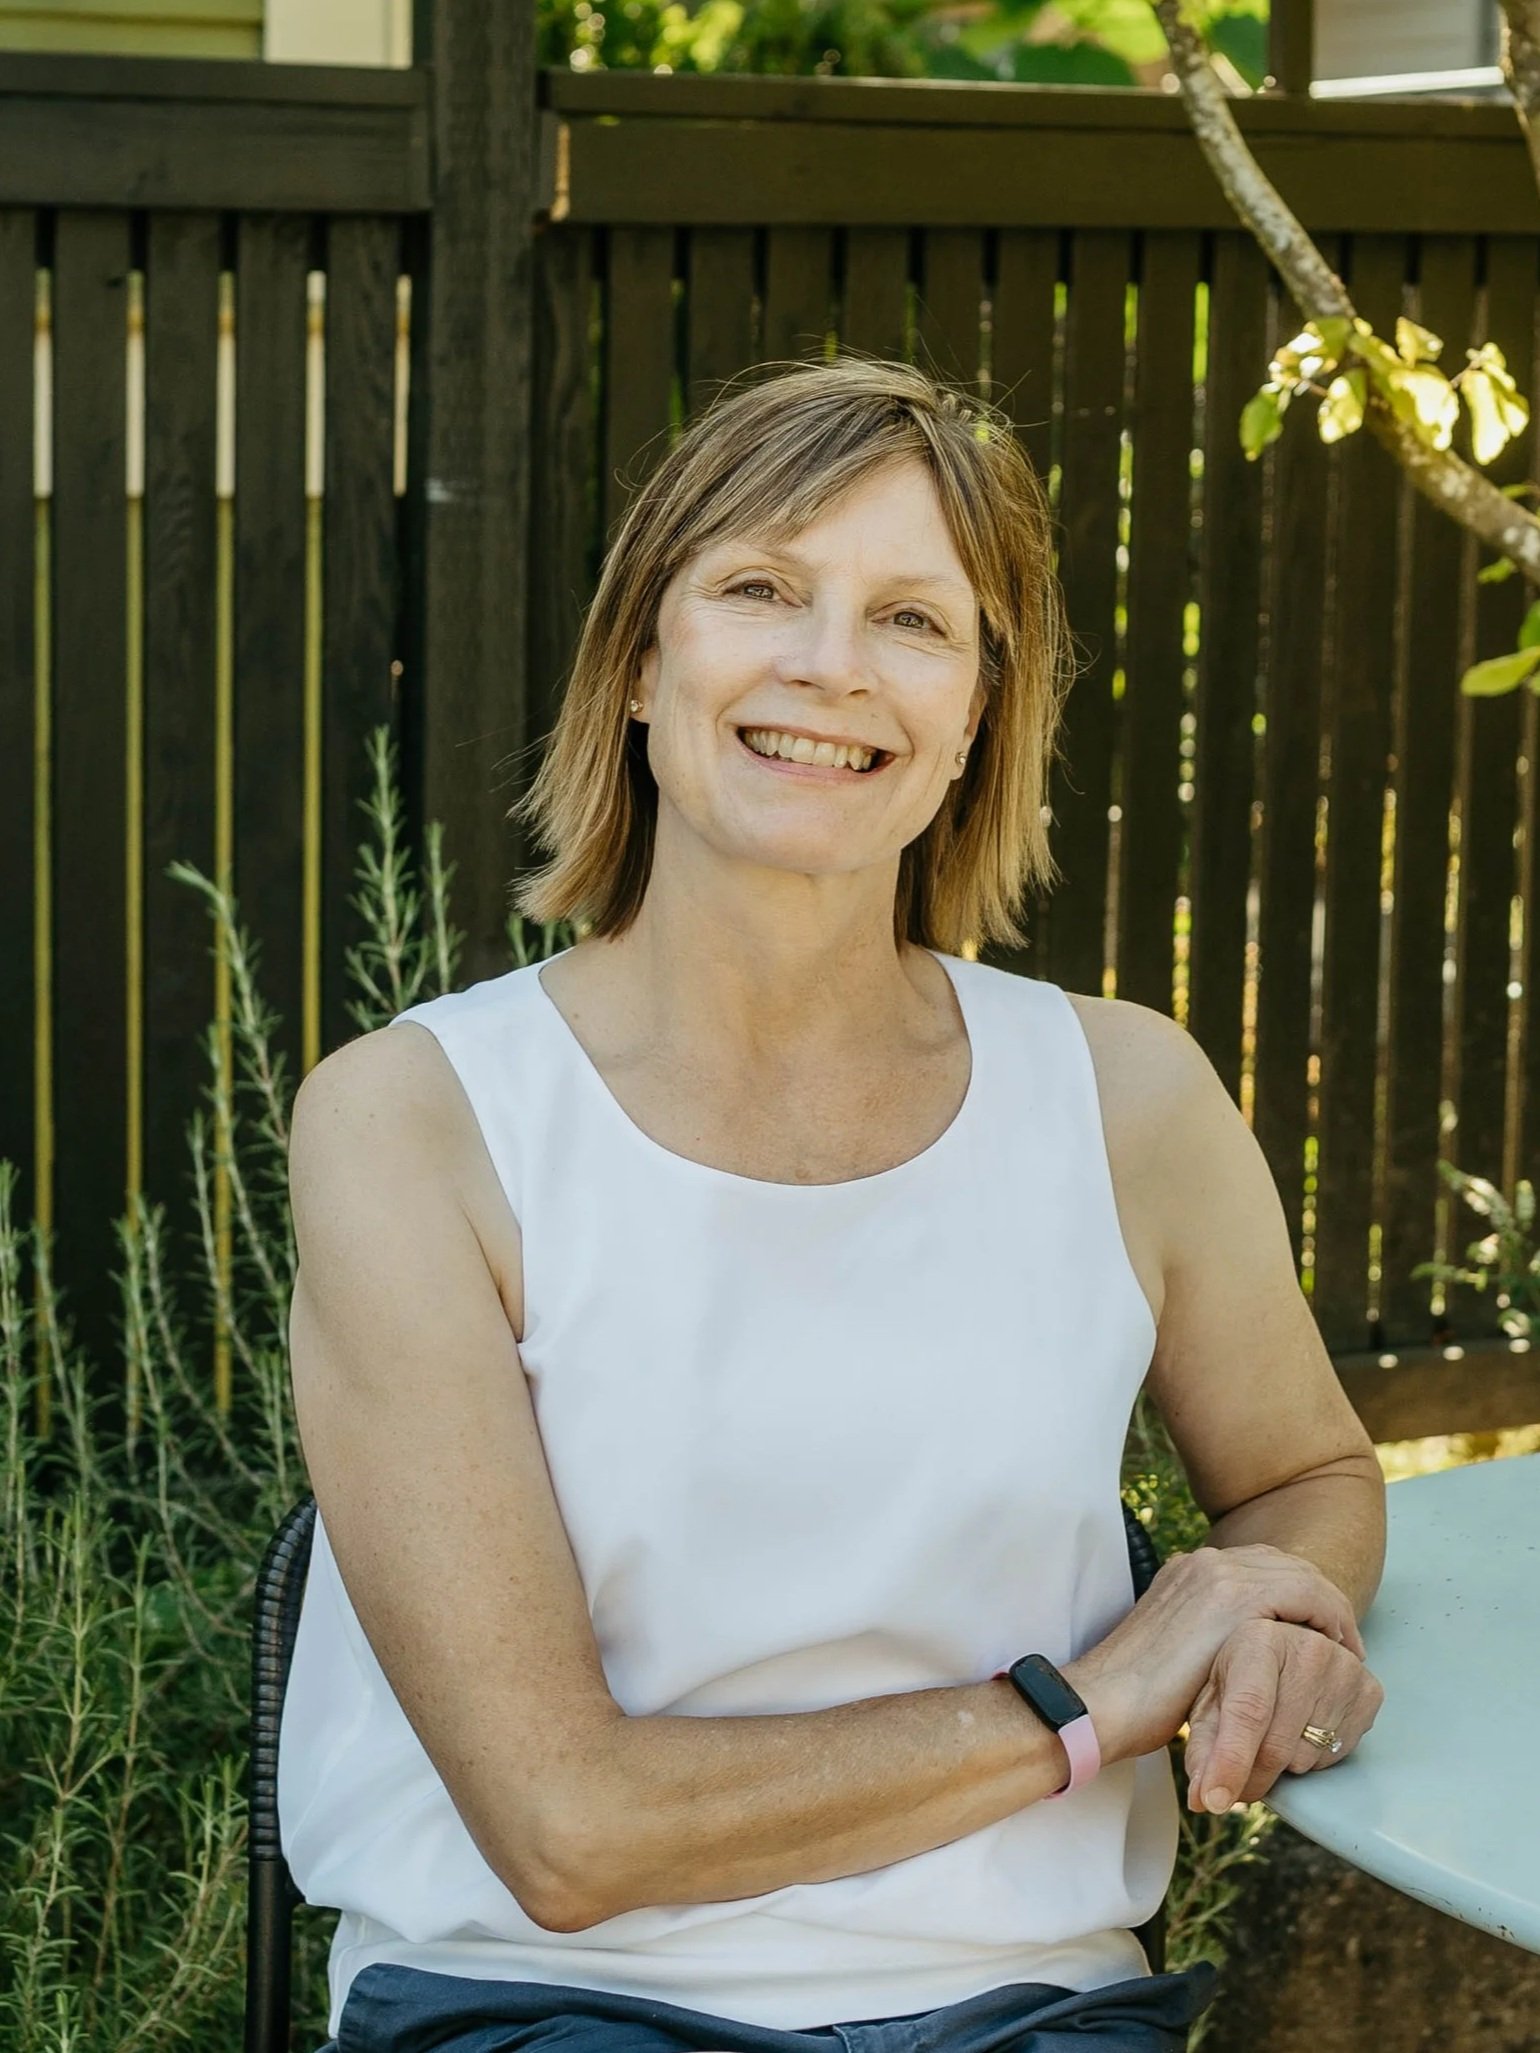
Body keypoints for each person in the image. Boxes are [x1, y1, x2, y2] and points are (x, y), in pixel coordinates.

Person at [278, 356, 1387, 2053]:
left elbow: (1307, 1476)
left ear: (973, 721)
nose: (828, 666)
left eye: (912, 621)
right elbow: (569, 1832)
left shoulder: (1129, 1099)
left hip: (1035, 2008)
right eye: (760, 589)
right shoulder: (420, 1127)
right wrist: (1093, 1703)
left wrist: (1271, 1611)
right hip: (547, 2005)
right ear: (640, 669)